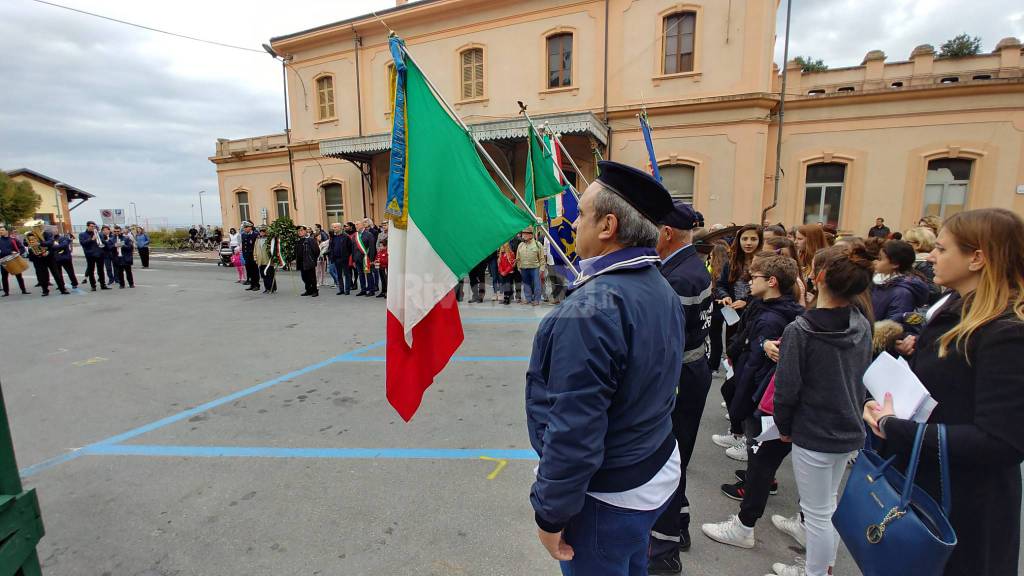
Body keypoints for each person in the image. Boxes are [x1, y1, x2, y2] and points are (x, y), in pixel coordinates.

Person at [526, 161, 680, 575]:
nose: (574, 224)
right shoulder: (657, 282)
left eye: (580, 215)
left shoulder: (592, 310)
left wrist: (550, 515)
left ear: (608, 225)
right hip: (651, 466)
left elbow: (574, 428)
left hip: (611, 492)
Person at [865, 208, 1024, 576]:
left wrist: (896, 427)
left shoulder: (1006, 334)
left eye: (941, 248)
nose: (931, 257)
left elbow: (1002, 441)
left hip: (964, 508)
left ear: (977, 258)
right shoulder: (954, 308)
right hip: (926, 483)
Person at [771, 244, 874, 576]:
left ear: (820, 277)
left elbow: (786, 390)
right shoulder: (861, 322)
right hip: (848, 429)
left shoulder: (800, 331)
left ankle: (815, 572)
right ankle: (821, 566)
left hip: (813, 432)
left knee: (817, 513)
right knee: (826, 506)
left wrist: (783, 426)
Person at [701, 254, 804, 553]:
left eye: (755, 277)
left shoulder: (772, 318)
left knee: (760, 458)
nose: (748, 281)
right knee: (761, 458)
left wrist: (742, 402)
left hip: (763, 401)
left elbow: (755, 368)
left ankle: (744, 526)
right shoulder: (771, 309)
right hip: (763, 397)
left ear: (771, 282)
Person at [648, 202, 714, 573]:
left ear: (667, 233)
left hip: (679, 377)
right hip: (692, 370)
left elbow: (664, 340)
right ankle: (682, 522)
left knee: (667, 459)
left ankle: (664, 550)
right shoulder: (686, 265)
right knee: (677, 452)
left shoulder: (677, 277)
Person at [871, 239, 930, 330]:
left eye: (880, 259)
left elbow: (893, 326)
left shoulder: (902, 293)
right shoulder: (877, 282)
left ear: (894, 264)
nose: (875, 262)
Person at [904, 226, 943, 305]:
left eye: (907, 242)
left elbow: (933, 291)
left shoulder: (924, 263)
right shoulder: (917, 261)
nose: (903, 244)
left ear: (918, 244)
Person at [25, 230, 68, 296]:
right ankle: (45, 290)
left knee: (56, 274)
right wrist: (29, 243)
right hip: (38, 258)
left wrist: (40, 244)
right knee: (42, 275)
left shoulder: (47, 233)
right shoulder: (29, 234)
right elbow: (25, 244)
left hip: (49, 257)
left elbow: (50, 242)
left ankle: (62, 289)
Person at [516, 228, 545, 306]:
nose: (524, 235)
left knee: (536, 284)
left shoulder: (537, 244)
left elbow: (542, 258)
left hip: (535, 267)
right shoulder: (520, 245)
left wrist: (542, 269)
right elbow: (518, 258)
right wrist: (518, 267)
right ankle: (528, 298)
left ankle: (536, 300)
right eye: (523, 234)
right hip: (523, 267)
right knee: (526, 284)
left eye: (526, 234)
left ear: (531, 235)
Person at [0, 225, 30, 296]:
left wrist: (18, 252)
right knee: (4, 277)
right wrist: (10, 252)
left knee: (19, 276)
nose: (1, 232)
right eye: (0, 230)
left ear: (7, 231)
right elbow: (3, 251)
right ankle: (6, 292)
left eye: (2, 230)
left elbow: (22, 248)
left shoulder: (13, 239)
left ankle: (23, 290)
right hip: (4, 261)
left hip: (14, 260)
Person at [78, 221, 109, 291]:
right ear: (87, 226)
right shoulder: (82, 234)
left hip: (99, 254)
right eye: (91, 226)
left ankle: (103, 284)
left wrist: (104, 242)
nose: (93, 228)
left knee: (101, 270)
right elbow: (83, 243)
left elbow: (103, 242)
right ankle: (93, 286)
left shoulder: (98, 234)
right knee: (91, 271)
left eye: (94, 226)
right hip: (90, 255)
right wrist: (91, 239)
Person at [329, 223, 353, 295]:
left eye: (335, 227)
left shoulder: (346, 236)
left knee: (347, 274)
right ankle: (341, 289)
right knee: (339, 275)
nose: (334, 229)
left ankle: (347, 290)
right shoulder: (333, 237)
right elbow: (331, 247)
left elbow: (350, 248)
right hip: (336, 258)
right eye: (333, 227)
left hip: (344, 258)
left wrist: (347, 256)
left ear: (340, 228)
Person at [295, 225, 319, 297]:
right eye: (298, 231)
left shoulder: (310, 240)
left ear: (305, 231)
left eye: (301, 230)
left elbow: (316, 251)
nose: (300, 232)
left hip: (309, 261)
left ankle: (315, 291)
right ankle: (308, 290)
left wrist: (312, 259)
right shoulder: (298, 240)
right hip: (301, 262)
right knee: (304, 277)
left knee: (312, 277)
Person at [253, 225, 278, 294]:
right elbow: (255, 249)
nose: (262, 233)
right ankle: (267, 288)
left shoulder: (269, 239)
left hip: (268, 260)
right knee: (263, 275)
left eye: (263, 231)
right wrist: (255, 257)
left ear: (266, 232)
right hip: (260, 261)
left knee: (269, 274)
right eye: (261, 231)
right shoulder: (257, 240)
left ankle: (272, 287)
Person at [360, 219, 378, 296]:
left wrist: (372, 258)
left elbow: (373, 245)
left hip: (370, 255)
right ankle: (370, 286)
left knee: (373, 272)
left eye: (365, 222)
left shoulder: (373, 232)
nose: (364, 224)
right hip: (364, 256)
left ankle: (374, 286)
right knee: (368, 273)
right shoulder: (362, 233)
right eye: (363, 222)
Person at [240, 222, 260, 292]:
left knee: (255, 271)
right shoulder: (243, 235)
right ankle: (252, 284)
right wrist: (243, 254)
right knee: (249, 271)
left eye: (246, 227)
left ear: (250, 227)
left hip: (253, 255)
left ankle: (256, 285)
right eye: (244, 227)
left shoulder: (255, 234)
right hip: (246, 255)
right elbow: (243, 245)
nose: (244, 229)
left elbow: (257, 246)